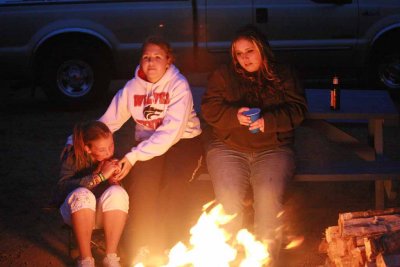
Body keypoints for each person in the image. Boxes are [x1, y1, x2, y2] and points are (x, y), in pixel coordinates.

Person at [90, 36, 202, 265]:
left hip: (183, 143)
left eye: (157, 57)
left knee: (173, 186)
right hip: (146, 146)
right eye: (146, 58)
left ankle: (169, 247)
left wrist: (132, 157)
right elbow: (110, 121)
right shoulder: (132, 88)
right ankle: (141, 246)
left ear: (168, 61)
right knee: (142, 188)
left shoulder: (178, 85)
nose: (151, 62)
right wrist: (78, 139)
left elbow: (170, 133)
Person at [200, 25, 307, 265]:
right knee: (228, 202)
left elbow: (298, 110)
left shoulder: (284, 75)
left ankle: (263, 260)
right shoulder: (224, 75)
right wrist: (233, 116)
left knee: (268, 199)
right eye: (239, 53)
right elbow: (209, 108)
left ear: (262, 49)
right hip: (229, 148)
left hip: (273, 149)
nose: (244, 58)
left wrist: (267, 121)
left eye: (250, 51)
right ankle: (221, 259)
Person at [53, 120, 129, 267]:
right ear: (88, 148)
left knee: (117, 193)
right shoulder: (72, 157)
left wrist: (115, 181)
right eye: (102, 149)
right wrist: (99, 177)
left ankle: (111, 258)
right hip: (76, 213)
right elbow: (61, 189)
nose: (109, 152)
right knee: (82, 194)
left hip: (104, 216)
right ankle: (86, 260)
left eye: (111, 145)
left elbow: (119, 196)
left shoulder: (113, 158)